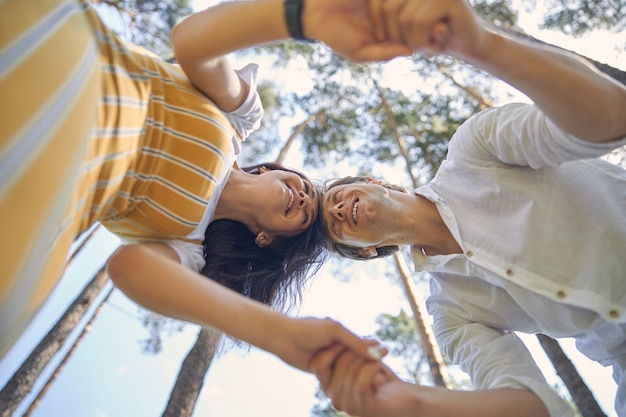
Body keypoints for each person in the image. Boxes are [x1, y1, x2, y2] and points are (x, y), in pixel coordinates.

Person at [0, 0, 401, 369]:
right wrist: (305, 16)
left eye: (305, 213)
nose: (302, 195)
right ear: (270, 171)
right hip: (70, 57)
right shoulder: (238, 121)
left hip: (45, 181)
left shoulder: (189, 248)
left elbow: (126, 269)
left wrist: (275, 334)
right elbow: (191, 41)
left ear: (267, 238)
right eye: (305, 187)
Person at [310, 0, 626, 416]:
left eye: (334, 198)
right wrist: (407, 402)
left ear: (373, 182)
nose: (335, 212)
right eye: (335, 230)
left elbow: (609, 119)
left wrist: (479, 43)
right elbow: (530, 403)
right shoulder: (450, 315)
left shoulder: (473, 150)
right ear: (368, 251)